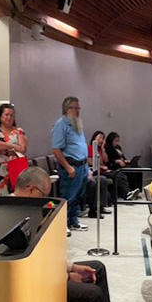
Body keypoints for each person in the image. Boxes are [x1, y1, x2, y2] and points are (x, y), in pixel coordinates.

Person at [49, 96, 89, 232]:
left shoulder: (77, 124)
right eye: (75, 108)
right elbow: (56, 149)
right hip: (71, 166)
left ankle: (73, 221)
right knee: (68, 197)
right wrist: (68, 167)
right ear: (67, 109)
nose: (78, 111)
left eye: (78, 108)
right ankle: (62, 224)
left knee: (78, 196)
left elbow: (81, 146)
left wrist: (87, 167)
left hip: (82, 166)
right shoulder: (60, 125)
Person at [0, 103, 27, 195]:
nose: (9, 117)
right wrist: (13, 146)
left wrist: (3, 146)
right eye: (6, 115)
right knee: (0, 194)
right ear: (0, 116)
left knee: (17, 193)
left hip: (15, 167)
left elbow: (23, 148)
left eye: (11, 115)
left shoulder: (19, 131)